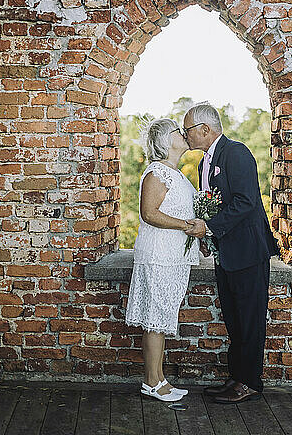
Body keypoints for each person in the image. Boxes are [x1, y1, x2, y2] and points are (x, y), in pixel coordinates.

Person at [183, 102, 280, 404]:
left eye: (188, 131)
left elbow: (245, 201)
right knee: (234, 320)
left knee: (250, 320)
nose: (186, 136)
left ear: (205, 129)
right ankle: (236, 378)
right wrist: (207, 238)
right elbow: (211, 201)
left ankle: (250, 383)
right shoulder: (203, 163)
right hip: (226, 254)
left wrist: (208, 227)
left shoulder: (236, 153)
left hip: (248, 253)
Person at [125, 118, 200, 402]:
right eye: (177, 131)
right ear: (164, 141)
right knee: (155, 320)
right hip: (158, 255)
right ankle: (151, 383)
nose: (183, 134)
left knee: (162, 318)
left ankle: (160, 379)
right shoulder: (156, 172)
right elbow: (149, 213)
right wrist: (186, 225)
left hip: (173, 257)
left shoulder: (176, 173)